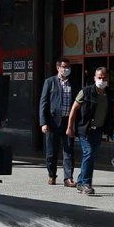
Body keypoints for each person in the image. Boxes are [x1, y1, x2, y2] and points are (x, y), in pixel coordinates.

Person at [66, 66, 114, 194]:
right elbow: (74, 109)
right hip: (85, 129)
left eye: (104, 78)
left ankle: (81, 181)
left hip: (98, 130)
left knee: (91, 155)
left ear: (108, 78)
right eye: (99, 77)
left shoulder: (110, 94)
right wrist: (70, 127)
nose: (102, 80)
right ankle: (86, 184)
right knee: (88, 153)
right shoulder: (85, 91)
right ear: (94, 78)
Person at [39, 58, 75, 186]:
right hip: (53, 122)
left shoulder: (72, 83)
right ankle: (52, 175)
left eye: (68, 67)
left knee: (69, 150)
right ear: (58, 67)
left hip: (68, 122)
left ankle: (68, 178)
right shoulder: (50, 82)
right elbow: (43, 103)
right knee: (51, 152)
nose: (66, 69)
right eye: (64, 66)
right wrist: (43, 122)